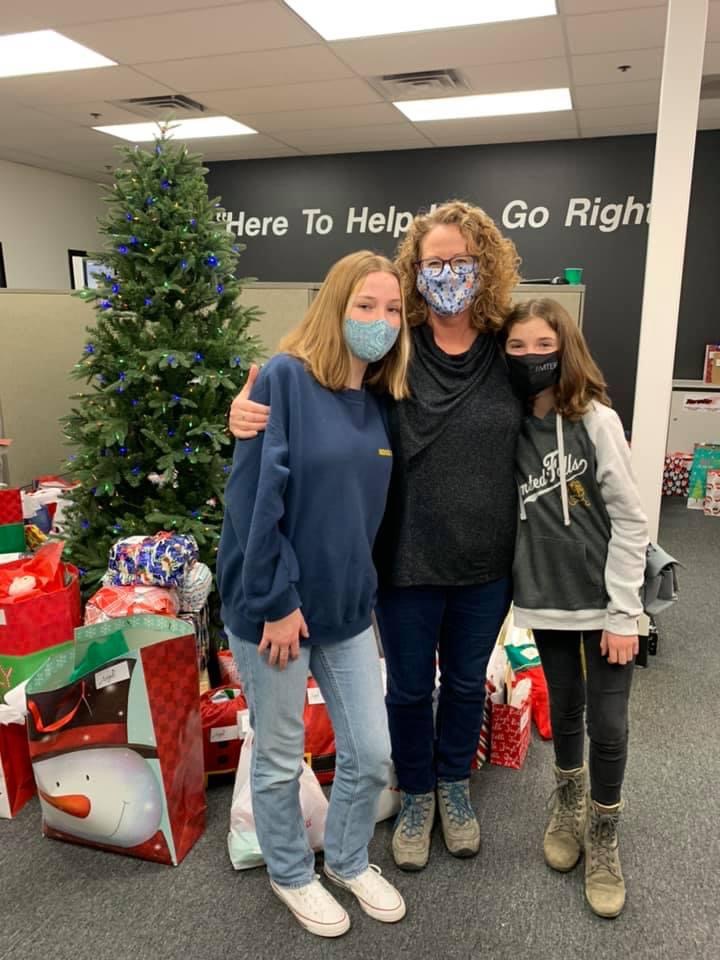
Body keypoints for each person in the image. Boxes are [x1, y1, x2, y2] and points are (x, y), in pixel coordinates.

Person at [230, 201, 523, 872]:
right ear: (415, 274)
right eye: (435, 264)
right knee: (410, 688)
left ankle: (455, 787)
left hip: (485, 560)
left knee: (469, 684)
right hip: (402, 558)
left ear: (486, 267)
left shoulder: (507, 350)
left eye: (462, 262)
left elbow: (563, 393)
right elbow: (318, 388)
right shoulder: (397, 348)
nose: (449, 275)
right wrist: (247, 413)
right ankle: (416, 794)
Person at [217, 251, 411, 938]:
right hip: (275, 606)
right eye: (365, 306)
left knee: (372, 750)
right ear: (335, 306)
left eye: (392, 309)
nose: (379, 321)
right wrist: (275, 602)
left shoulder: (384, 400)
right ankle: (291, 873)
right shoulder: (283, 379)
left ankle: (351, 859)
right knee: (278, 753)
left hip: (346, 607)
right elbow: (251, 501)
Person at [501, 297, 648, 919]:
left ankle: (605, 834)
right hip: (546, 600)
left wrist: (623, 613)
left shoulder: (594, 419)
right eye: (517, 347)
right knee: (563, 710)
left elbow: (632, 520)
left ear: (565, 349)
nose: (532, 357)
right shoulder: (507, 423)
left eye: (543, 346)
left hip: (601, 603)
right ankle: (567, 801)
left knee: (608, 726)